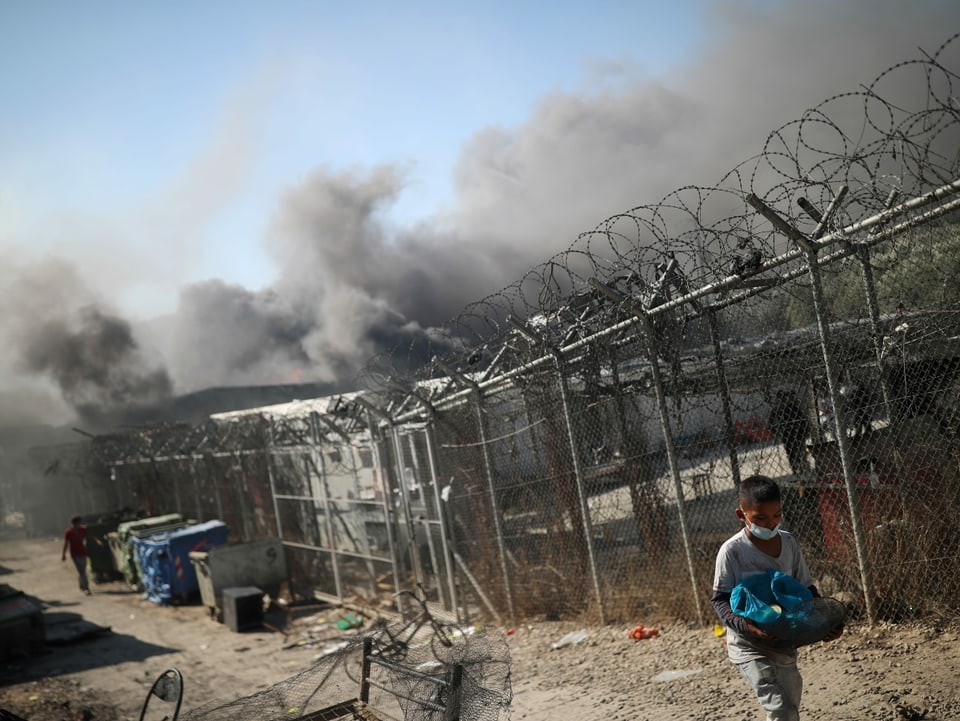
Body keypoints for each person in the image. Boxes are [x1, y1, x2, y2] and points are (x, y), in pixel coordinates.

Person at [712, 475, 842, 721]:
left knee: (790, 708)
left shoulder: (789, 543)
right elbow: (720, 600)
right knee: (781, 710)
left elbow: (806, 592)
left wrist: (824, 624)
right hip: (748, 646)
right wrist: (748, 627)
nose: (770, 524)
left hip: (784, 642)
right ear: (742, 516)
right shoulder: (732, 551)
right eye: (760, 518)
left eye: (776, 515)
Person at [767, 390, 811, 479]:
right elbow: (770, 424)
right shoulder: (777, 410)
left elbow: (802, 420)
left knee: (800, 452)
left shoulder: (793, 407)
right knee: (792, 454)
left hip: (797, 433)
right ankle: (796, 470)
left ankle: (803, 468)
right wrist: (777, 432)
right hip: (787, 434)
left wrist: (806, 431)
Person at [62, 515, 91, 595]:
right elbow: (66, 543)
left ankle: (82, 584)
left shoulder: (83, 530)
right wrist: (63, 554)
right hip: (75, 554)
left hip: (83, 552)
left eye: (79, 523)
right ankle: (86, 588)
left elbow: (88, 538)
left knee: (83, 570)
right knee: (82, 571)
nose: (78, 525)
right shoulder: (68, 532)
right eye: (76, 524)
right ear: (73, 524)